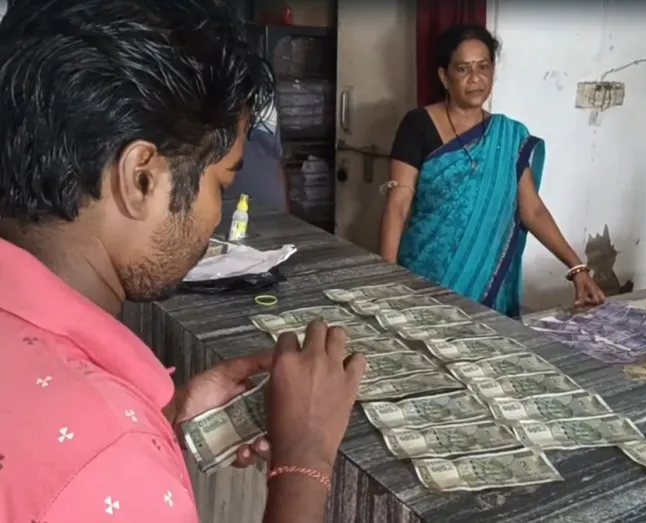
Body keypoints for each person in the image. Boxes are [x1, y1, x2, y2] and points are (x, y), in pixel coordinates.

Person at [0, 2, 364, 523]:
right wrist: (304, 459)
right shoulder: (106, 461)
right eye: (222, 182)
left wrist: (163, 414)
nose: (215, 216)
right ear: (141, 178)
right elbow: (87, 471)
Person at [380, 24, 606, 317]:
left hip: (487, 290)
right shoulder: (417, 125)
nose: (475, 78)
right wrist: (386, 280)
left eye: (483, 67)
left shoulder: (509, 135)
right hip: (425, 277)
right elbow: (397, 205)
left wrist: (577, 268)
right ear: (444, 76)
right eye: (463, 69)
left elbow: (532, 210)